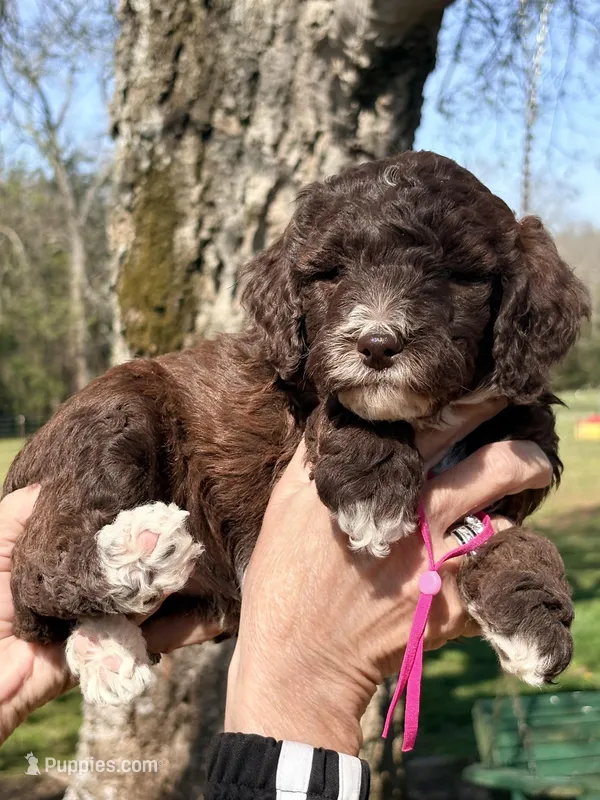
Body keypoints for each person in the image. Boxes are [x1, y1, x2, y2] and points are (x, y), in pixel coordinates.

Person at [0, 400, 553, 799]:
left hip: (202, 581)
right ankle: (98, 574)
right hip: (154, 462)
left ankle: (102, 606)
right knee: (116, 432)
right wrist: (307, 682)